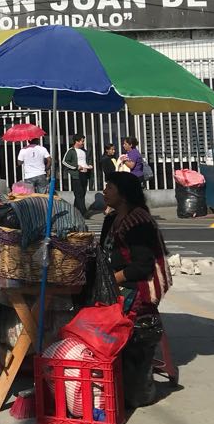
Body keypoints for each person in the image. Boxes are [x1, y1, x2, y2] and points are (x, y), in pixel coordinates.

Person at [99, 172, 172, 408]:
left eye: (109, 187)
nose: (104, 191)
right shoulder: (111, 219)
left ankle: (134, 383)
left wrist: (112, 280)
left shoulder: (139, 221)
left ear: (123, 193)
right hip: (116, 282)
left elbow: (142, 266)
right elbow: (103, 252)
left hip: (137, 286)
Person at [62, 134, 91, 217]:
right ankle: (84, 212)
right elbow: (65, 162)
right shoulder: (71, 151)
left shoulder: (84, 151)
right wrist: (76, 167)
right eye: (82, 141)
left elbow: (87, 160)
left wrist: (89, 165)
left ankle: (75, 211)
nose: (83, 143)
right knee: (78, 193)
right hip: (76, 175)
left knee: (82, 193)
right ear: (76, 141)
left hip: (85, 173)